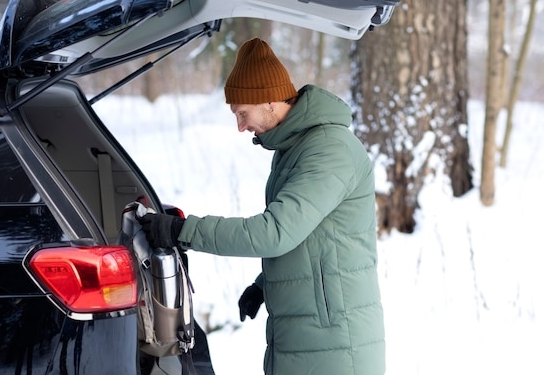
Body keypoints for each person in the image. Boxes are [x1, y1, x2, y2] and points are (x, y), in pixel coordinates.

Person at [139, 38, 385, 375]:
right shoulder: (294, 148)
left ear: (269, 100)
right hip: (305, 333)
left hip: (336, 342)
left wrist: (184, 231)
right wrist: (264, 283)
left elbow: (276, 232)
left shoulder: (330, 150)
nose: (240, 126)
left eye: (243, 112)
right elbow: (310, 239)